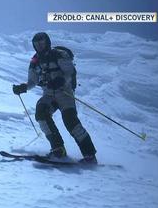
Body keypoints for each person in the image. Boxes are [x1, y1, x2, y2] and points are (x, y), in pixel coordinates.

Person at [12, 32, 97, 164]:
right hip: (49, 95)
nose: (39, 46)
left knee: (71, 122)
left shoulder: (58, 54)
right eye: (36, 44)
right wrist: (23, 87)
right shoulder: (35, 61)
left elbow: (70, 72)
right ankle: (58, 149)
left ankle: (89, 155)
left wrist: (60, 81)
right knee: (41, 114)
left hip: (65, 94)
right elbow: (32, 81)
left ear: (47, 43)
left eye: (41, 43)